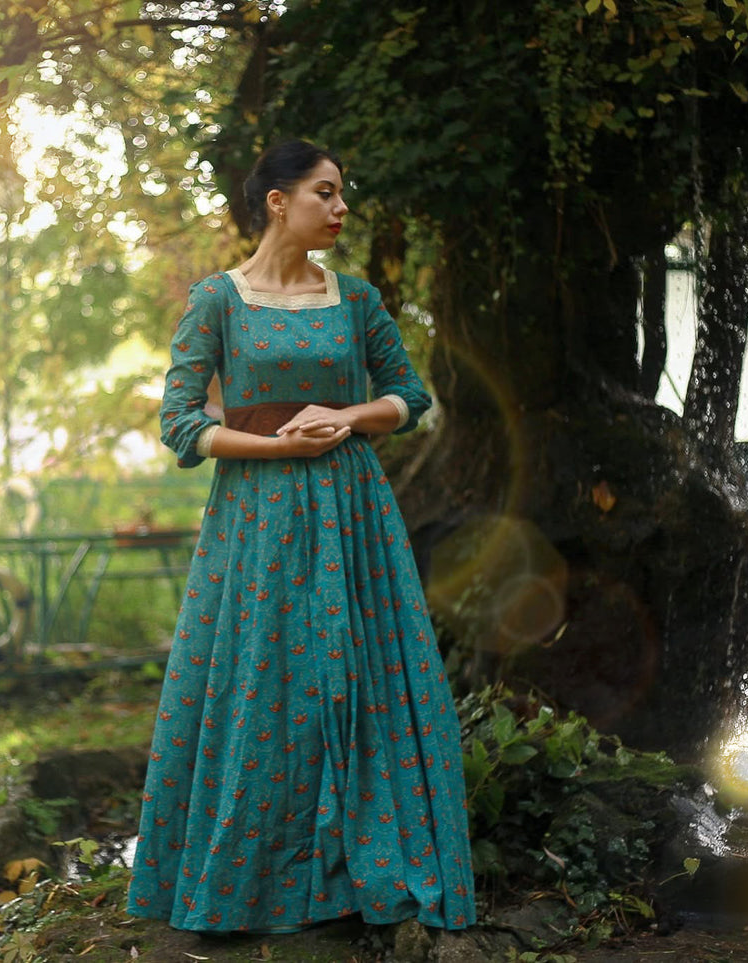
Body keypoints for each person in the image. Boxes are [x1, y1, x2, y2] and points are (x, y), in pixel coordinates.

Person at [126, 139, 476, 935]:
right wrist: (275, 447)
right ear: (278, 201)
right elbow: (180, 424)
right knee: (264, 681)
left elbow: (407, 396)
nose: (341, 207)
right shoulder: (217, 300)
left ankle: (352, 874)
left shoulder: (355, 301)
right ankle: (250, 879)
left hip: (353, 513)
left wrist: (343, 416)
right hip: (255, 517)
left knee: (357, 677)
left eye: (342, 192)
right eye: (326, 192)